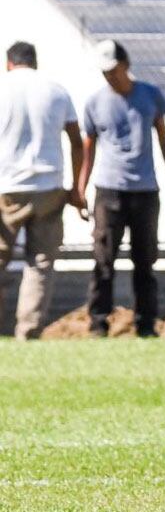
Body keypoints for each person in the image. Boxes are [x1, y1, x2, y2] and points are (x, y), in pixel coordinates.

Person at [77, 39, 165, 337]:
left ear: (126, 65)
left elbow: (164, 139)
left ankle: (146, 324)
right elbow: (88, 148)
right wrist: (81, 188)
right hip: (108, 189)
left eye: (113, 70)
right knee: (103, 260)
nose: (110, 76)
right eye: (105, 72)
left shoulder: (150, 95)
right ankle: (98, 324)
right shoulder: (95, 102)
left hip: (145, 189)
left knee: (145, 260)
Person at [0, 41, 84, 339]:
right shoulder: (56, 91)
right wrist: (77, 188)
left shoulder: (3, 87)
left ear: (9, 63)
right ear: (34, 62)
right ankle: (28, 331)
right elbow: (76, 141)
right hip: (49, 186)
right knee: (40, 263)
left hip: (7, 186)